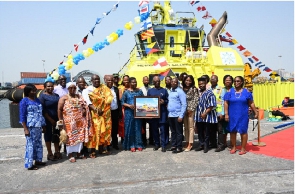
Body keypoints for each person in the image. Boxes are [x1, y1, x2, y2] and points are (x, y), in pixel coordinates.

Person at [58, 82, 91, 162]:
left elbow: (84, 105)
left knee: (80, 137)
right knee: (70, 138)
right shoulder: (64, 98)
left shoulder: (79, 97)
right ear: (68, 89)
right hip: (69, 123)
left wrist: (83, 109)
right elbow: (59, 109)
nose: (72, 89)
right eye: (70, 88)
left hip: (79, 122)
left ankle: (79, 153)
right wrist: (60, 121)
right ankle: (70, 155)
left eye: (74, 88)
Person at [224, 76, 258, 155]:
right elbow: (226, 103)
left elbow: (251, 103)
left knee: (243, 132)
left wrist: (255, 112)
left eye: (238, 81)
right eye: (235, 81)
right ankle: (234, 147)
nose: (236, 83)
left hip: (243, 115)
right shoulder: (229, 92)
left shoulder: (246, 92)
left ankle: (243, 148)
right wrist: (226, 114)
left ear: (242, 82)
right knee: (232, 131)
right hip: (232, 115)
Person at [82, 74, 113, 158]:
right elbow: (87, 102)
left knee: (104, 131)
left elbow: (109, 99)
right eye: (94, 80)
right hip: (94, 114)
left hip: (105, 114)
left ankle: (101, 148)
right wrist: (96, 109)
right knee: (95, 132)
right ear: (91, 81)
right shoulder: (87, 90)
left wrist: (103, 110)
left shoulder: (105, 89)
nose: (97, 81)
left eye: (98, 79)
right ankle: (92, 151)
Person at [19, 83, 46, 170]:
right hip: (30, 126)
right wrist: (25, 129)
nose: (34, 92)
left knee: (38, 144)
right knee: (30, 145)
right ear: (27, 91)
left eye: (35, 90)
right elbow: (22, 116)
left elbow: (40, 114)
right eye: (32, 90)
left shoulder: (37, 100)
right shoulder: (24, 101)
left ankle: (38, 160)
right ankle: (29, 164)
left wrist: (43, 125)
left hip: (38, 126)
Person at [39, 81, 61, 161]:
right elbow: (43, 110)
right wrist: (50, 120)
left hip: (57, 119)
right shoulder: (42, 97)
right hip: (47, 119)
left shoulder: (56, 95)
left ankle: (57, 151)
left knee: (56, 135)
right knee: (48, 136)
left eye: (52, 86)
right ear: (45, 87)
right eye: (48, 86)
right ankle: (49, 153)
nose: (50, 88)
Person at [121, 77, 145, 152]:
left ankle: (139, 144)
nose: (134, 83)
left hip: (138, 113)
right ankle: (131, 145)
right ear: (129, 83)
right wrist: (129, 105)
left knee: (138, 128)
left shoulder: (140, 91)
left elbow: (144, 101)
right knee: (130, 129)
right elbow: (122, 102)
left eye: (135, 82)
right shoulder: (126, 92)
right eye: (132, 82)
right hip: (129, 113)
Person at [195, 77, 218, 153]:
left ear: (205, 84)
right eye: (199, 84)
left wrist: (205, 113)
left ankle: (206, 145)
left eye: (202, 84)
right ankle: (201, 144)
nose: (200, 85)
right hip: (199, 116)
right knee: (200, 131)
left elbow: (212, 105)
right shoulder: (198, 93)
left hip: (207, 116)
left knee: (207, 132)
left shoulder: (210, 93)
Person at [147, 75, 169, 152]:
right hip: (153, 113)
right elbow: (147, 102)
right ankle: (157, 144)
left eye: (158, 81)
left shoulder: (164, 90)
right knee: (154, 130)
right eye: (155, 81)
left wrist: (164, 102)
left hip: (162, 113)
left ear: (160, 82)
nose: (157, 82)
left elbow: (167, 100)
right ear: (153, 82)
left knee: (163, 130)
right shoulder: (150, 91)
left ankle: (163, 145)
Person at [167, 77, 187, 154]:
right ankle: (173, 146)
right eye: (172, 82)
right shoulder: (171, 91)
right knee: (173, 132)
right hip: (171, 115)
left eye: (175, 82)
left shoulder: (180, 92)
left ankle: (179, 147)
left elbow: (184, 104)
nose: (173, 83)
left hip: (177, 115)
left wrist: (181, 116)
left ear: (177, 83)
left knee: (179, 132)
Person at [215, 75, 234, 152]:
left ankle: (233, 144)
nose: (228, 81)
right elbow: (219, 101)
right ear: (224, 81)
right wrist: (221, 113)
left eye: (229, 80)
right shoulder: (221, 90)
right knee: (223, 129)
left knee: (232, 128)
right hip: (223, 111)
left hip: (232, 111)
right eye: (226, 80)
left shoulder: (234, 90)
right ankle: (224, 143)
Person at [182, 75, 199, 152]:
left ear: (192, 81)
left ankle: (190, 143)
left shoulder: (194, 89)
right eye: (186, 80)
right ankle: (186, 141)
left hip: (190, 110)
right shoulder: (181, 89)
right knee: (185, 127)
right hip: (183, 110)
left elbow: (196, 100)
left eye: (189, 80)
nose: (188, 82)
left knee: (190, 127)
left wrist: (191, 110)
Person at [106, 75, 122, 150]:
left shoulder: (116, 89)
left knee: (115, 129)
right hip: (107, 112)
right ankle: (108, 145)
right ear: (105, 81)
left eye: (111, 80)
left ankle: (115, 144)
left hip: (115, 111)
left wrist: (120, 112)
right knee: (108, 129)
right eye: (108, 80)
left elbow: (118, 101)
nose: (110, 82)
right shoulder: (103, 89)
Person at [53, 75, 68, 153]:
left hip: (67, 114)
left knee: (67, 131)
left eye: (64, 79)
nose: (63, 80)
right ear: (58, 81)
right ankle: (58, 151)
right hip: (58, 113)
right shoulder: (55, 89)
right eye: (61, 79)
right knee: (58, 131)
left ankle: (66, 149)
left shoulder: (68, 88)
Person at [208, 75, 223, 149]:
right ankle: (213, 143)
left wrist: (221, 113)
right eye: (212, 79)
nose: (213, 80)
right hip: (210, 112)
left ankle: (220, 145)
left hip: (218, 111)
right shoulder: (208, 88)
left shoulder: (221, 89)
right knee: (212, 129)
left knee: (219, 129)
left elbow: (222, 101)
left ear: (217, 80)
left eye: (214, 79)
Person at [76, 76, 88, 156]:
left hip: (87, 114)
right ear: (77, 83)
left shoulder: (88, 90)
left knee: (86, 131)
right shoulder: (75, 91)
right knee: (78, 133)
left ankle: (85, 149)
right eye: (80, 82)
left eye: (83, 82)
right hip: (77, 116)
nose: (81, 84)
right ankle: (78, 151)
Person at [140, 76, 152, 146]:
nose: (146, 82)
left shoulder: (151, 89)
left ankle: (151, 140)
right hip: (142, 110)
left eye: (147, 80)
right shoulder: (140, 89)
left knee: (151, 126)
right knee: (143, 126)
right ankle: (144, 141)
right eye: (145, 80)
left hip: (150, 110)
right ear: (143, 81)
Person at [118, 75, 130, 143]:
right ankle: (123, 139)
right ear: (123, 81)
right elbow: (120, 99)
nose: (126, 82)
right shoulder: (120, 88)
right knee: (123, 124)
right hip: (123, 108)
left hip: (131, 108)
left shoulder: (131, 88)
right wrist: (124, 92)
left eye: (127, 80)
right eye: (125, 80)